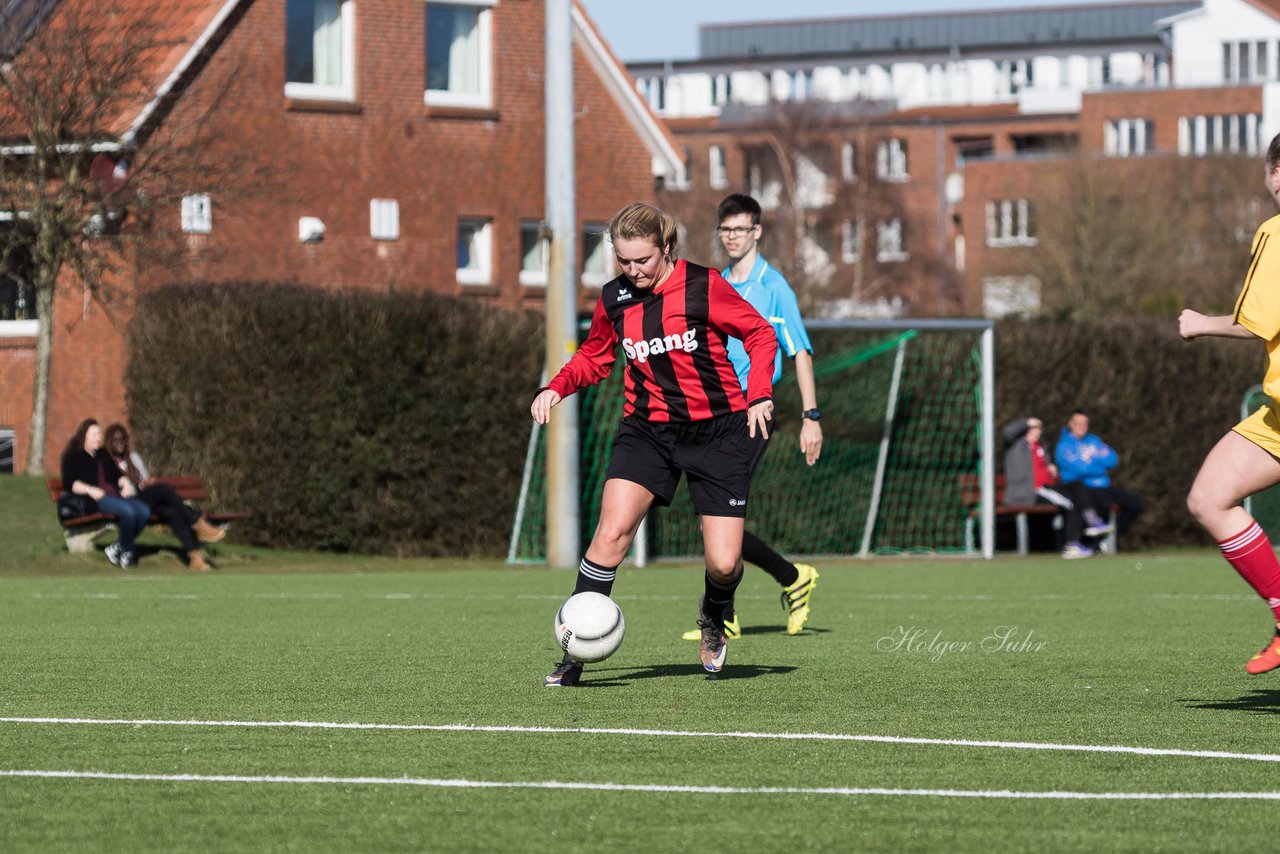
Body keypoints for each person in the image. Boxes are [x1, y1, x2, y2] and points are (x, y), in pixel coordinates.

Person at [532, 202, 778, 686]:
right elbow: (595, 355)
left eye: (642, 260)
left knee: (724, 563)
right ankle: (574, 652)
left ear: (666, 248)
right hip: (647, 430)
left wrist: (760, 395)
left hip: (719, 430)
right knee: (610, 535)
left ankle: (715, 611)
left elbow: (759, 334)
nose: (633, 270)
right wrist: (556, 386)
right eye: (623, 260)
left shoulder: (703, 285)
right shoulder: (614, 298)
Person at [677, 193, 820, 642]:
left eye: (740, 229)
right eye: (726, 230)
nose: (732, 237)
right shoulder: (715, 282)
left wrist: (811, 416)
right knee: (711, 520)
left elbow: (800, 353)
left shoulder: (774, 287)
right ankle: (793, 578)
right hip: (713, 412)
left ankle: (722, 617)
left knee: (720, 514)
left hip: (754, 411)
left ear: (757, 231)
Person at [1179, 131, 1280, 674]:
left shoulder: (1277, 230)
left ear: (1276, 174)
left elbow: (1256, 321)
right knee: (1210, 496)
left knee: (1209, 500)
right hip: (1276, 419)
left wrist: (1198, 324)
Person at [104, 423, 224, 571]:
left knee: (171, 512)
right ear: (109, 441)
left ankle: (194, 557)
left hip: (144, 498)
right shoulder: (107, 460)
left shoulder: (133, 457)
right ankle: (196, 522)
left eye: (122, 440)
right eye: (116, 440)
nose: (120, 444)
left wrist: (146, 482)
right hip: (128, 502)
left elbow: (144, 478)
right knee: (163, 489)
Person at [1002, 415, 1112, 559]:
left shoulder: (1041, 446)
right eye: (1033, 428)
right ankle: (1072, 545)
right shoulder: (1017, 445)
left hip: (1046, 488)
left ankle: (1092, 520)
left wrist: (1050, 468)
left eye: (1039, 428)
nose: (1037, 431)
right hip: (1031, 492)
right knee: (1070, 503)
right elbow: (1007, 433)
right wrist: (1027, 422)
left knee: (1077, 486)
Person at [60, 418, 150, 568]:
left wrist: (126, 483)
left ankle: (117, 547)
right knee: (128, 512)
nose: (99, 437)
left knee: (144, 511)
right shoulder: (73, 456)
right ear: (84, 436)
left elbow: (117, 475)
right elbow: (70, 483)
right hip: (95, 500)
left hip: (115, 496)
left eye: (99, 434)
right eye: (94, 434)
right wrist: (90, 490)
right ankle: (127, 551)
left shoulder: (103, 454)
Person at [1053, 410, 1146, 549]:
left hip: (1104, 485)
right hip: (1084, 488)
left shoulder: (1094, 440)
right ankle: (1094, 544)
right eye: (1078, 423)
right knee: (1104, 503)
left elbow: (1113, 460)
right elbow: (1081, 469)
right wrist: (1098, 463)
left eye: (1085, 423)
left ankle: (1107, 538)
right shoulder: (1064, 446)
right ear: (1071, 424)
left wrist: (1092, 462)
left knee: (1137, 505)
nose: (1082, 426)